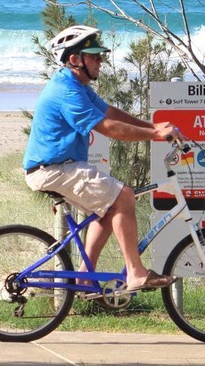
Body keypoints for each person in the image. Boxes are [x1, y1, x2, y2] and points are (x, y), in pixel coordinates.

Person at [23, 25, 179, 292]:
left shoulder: (77, 85)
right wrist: (154, 135)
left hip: (60, 167)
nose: (101, 61)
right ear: (75, 60)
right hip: (53, 169)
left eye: (101, 55)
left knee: (108, 208)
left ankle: (85, 277)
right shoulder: (67, 91)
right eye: (94, 56)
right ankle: (136, 272)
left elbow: (110, 112)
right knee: (123, 196)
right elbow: (107, 127)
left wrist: (152, 126)